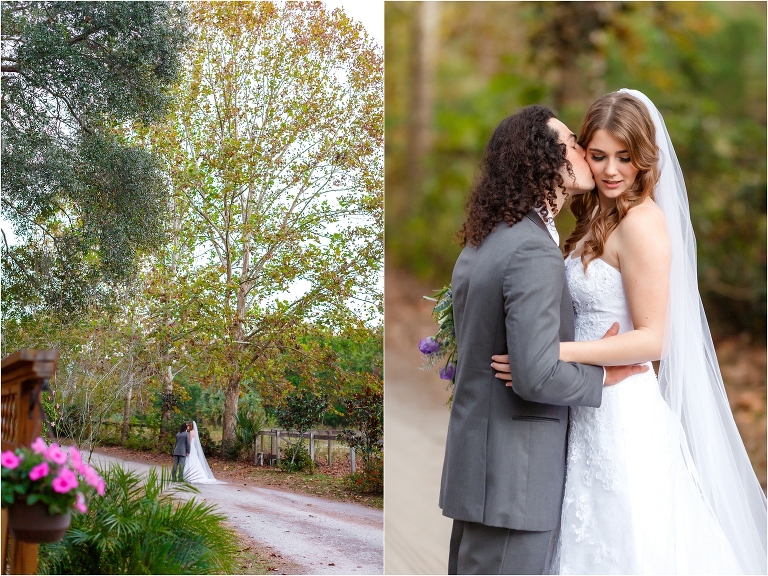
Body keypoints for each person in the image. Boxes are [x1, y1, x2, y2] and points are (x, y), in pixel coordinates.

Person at [493, 90, 767, 573]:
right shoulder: (596, 216)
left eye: (625, 157)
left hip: (623, 409)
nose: (612, 170)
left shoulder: (642, 222)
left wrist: (552, 353)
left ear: (644, 158)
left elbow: (654, 338)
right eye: (598, 156)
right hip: (584, 400)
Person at [439, 104, 648, 575]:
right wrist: (602, 375)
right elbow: (534, 374)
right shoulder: (532, 250)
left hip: (481, 473)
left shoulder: (487, 240)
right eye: (572, 143)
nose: (584, 151)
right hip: (516, 478)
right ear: (542, 159)